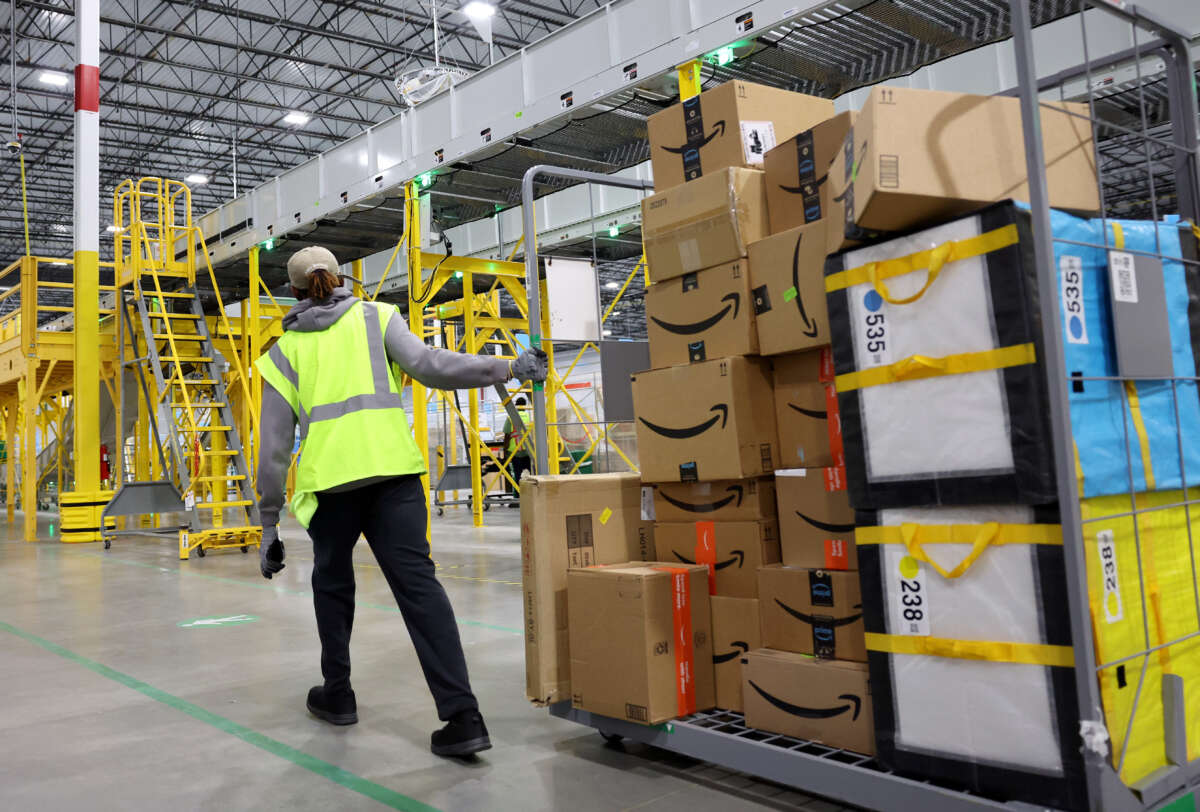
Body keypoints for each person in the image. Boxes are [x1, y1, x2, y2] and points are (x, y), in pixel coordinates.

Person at [254, 245, 547, 758]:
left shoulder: (283, 353)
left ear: (294, 292)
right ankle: (463, 716)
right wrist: (510, 368)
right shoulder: (378, 317)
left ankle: (338, 693)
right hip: (396, 477)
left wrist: (268, 526)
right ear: (341, 278)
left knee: (332, 582)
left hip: (331, 486)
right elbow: (433, 365)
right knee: (419, 588)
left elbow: (273, 450)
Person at [500, 396, 532, 495]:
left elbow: (507, 435)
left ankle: (518, 495)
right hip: (527, 449)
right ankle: (528, 495)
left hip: (514, 451)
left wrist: (505, 451)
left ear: (516, 406)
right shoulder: (529, 417)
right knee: (528, 474)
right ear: (525, 406)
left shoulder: (510, 417)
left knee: (517, 474)